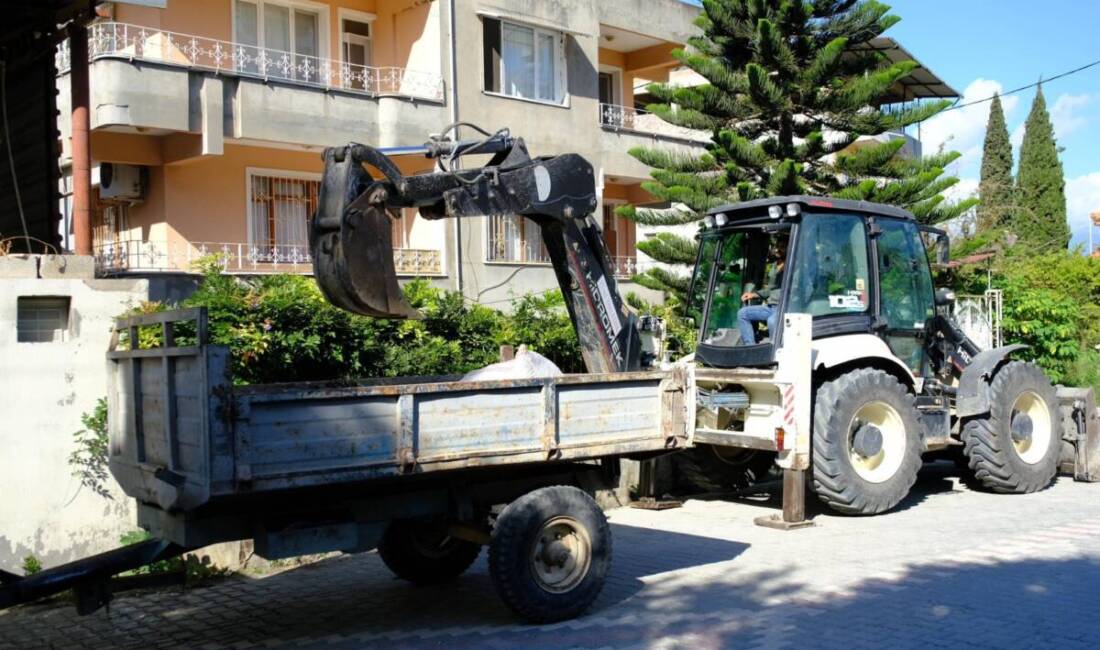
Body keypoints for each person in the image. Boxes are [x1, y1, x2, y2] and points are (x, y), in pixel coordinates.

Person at [738, 238, 787, 344]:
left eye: (782, 247)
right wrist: (754, 294)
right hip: (771, 307)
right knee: (742, 313)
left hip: (784, 308)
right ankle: (750, 348)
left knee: (772, 321)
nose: (777, 249)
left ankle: (776, 351)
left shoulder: (793, 266)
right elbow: (770, 289)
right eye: (777, 246)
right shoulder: (775, 265)